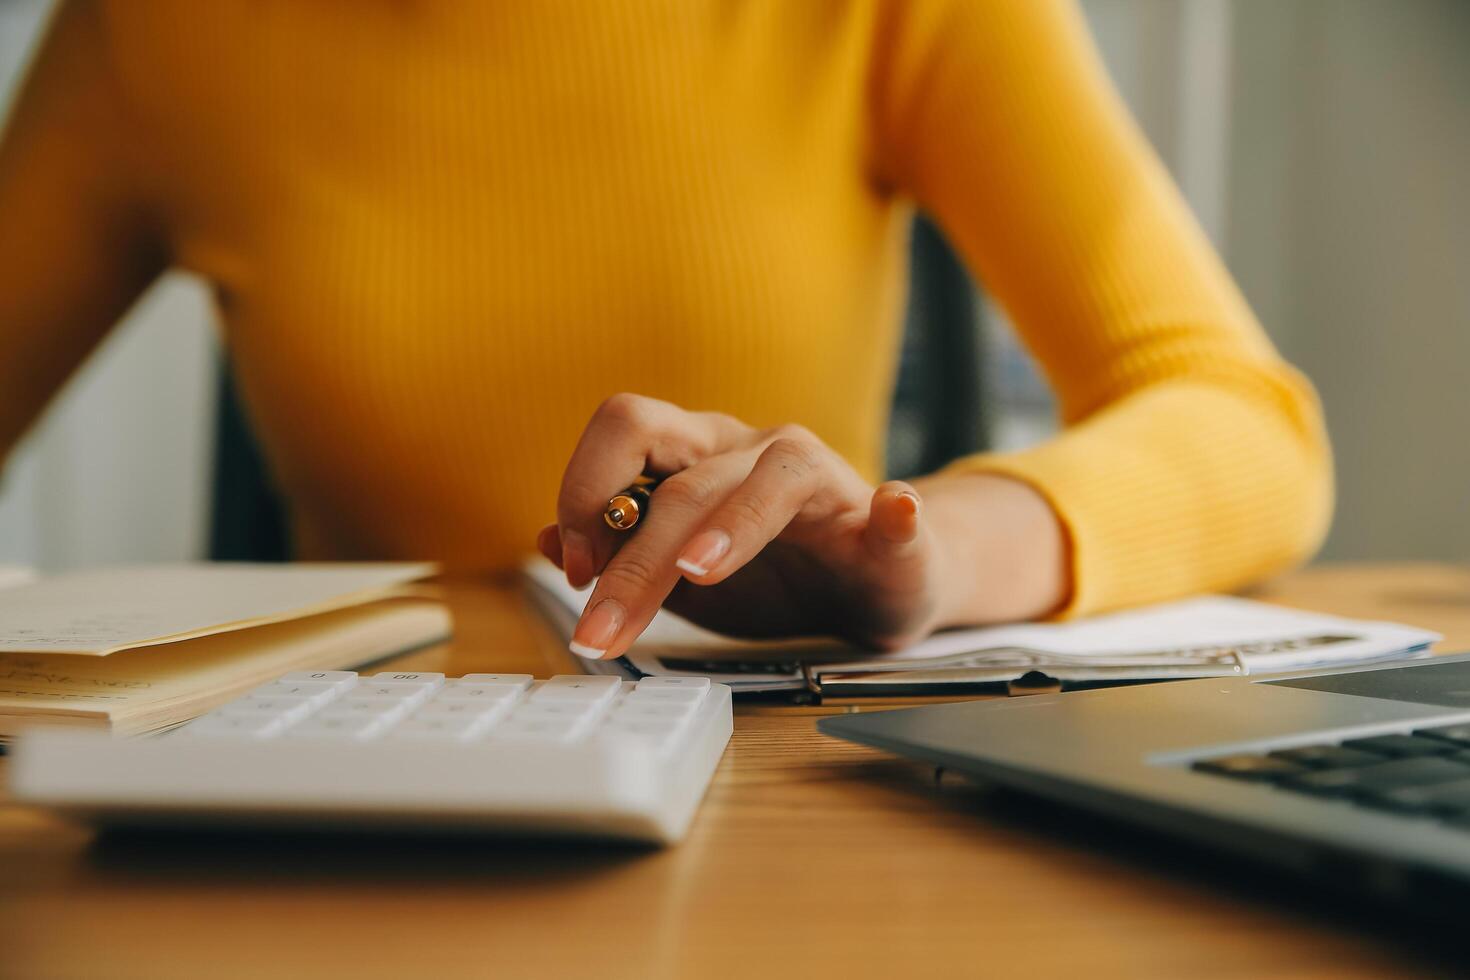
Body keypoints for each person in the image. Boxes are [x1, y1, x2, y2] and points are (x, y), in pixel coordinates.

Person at [0, 0, 1331, 662]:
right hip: (342, 817)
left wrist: (923, 557)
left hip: (790, 804)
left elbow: (1246, 422)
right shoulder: (157, 31)